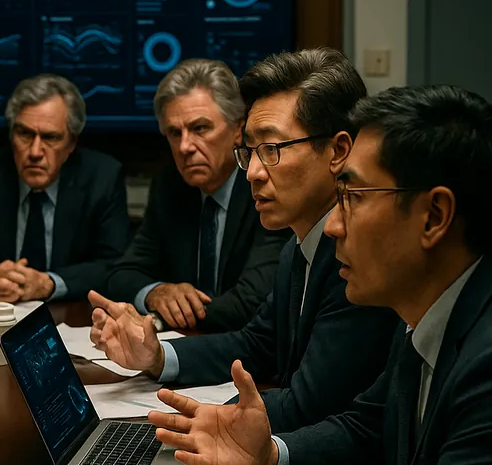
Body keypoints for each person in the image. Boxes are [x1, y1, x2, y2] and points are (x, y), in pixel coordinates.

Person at [147, 84, 492, 465]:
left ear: (433, 216)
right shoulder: (427, 315)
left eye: (352, 197)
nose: (333, 224)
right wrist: (268, 459)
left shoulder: (486, 366)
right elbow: (366, 426)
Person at [89, 48, 399, 433]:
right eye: (250, 151)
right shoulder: (299, 246)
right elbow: (255, 345)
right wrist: (156, 356)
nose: (252, 171)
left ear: (338, 151)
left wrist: (195, 418)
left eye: (271, 150)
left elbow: (311, 404)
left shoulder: (361, 257)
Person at [106, 59, 290, 332]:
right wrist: (156, 293)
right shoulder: (170, 185)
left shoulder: (266, 185)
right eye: (174, 132)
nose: (185, 147)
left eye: (200, 128)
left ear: (238, 130)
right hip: (189, 344)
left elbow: (249, 303)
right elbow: (121, 275)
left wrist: (159, 318)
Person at [0, 74, 129, 302]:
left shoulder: (102, 178)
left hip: (69, 316)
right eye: (25, 134)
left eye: (50, 137)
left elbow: (115, 265)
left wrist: (49, 284)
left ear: (71, 143)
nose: (35, 152)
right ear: (11, 135)